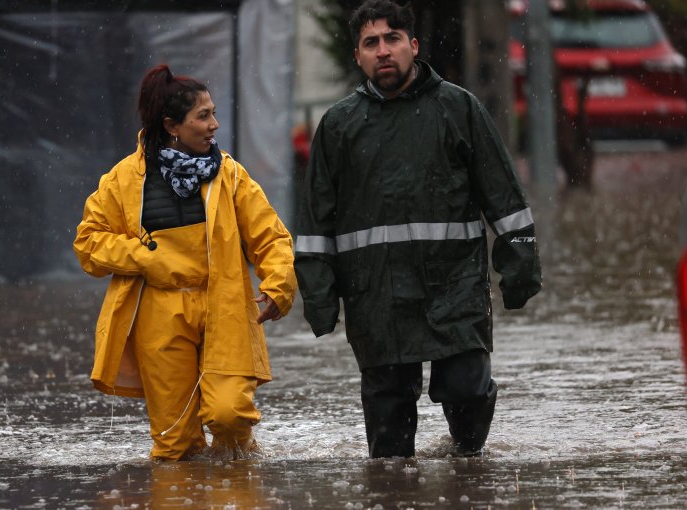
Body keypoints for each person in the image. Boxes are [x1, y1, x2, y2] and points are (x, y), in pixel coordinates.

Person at [294, 0, 542, 458]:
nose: (383, 51)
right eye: (371, 43)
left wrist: (520, 267)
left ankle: (466, 474)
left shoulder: (458, 108)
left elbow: (505, 200)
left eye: (392, 39)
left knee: (468, 397)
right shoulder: (338, 127)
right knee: (388, 447)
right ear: (358, 57)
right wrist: (319, 296)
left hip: (455, 290)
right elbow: (314, 224)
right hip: (377, 298)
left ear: (413, 45)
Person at [73, 64, 297, 461]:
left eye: (213, 113)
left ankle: (239, 492)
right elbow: (88, 244)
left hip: (223, 305)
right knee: (175, 447)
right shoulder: (124, 179)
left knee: (229, 416)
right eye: (203, 115)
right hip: (158, 315)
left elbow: (270, 236)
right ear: (172, 125)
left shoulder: (229, 174)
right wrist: (143, 257)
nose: (214, 124)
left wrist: (279, 286)